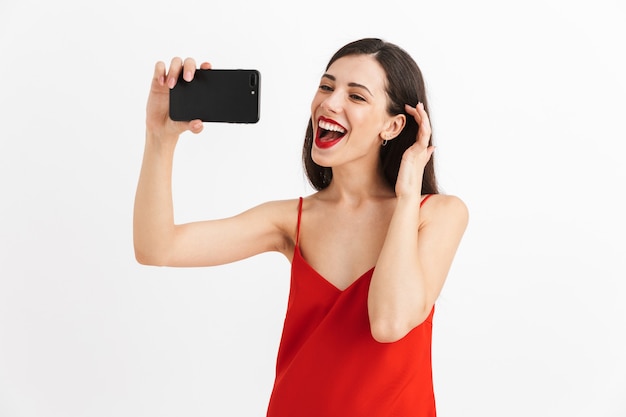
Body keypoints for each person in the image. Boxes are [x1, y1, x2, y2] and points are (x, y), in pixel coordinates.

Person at [134, 37, 468, 417]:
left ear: (392, 126)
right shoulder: (291, 220)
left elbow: (389, 322)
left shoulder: (437, 213)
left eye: (356, 96)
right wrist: (158, 138)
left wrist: (407, 195)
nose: (330, 101)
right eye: (327, 86)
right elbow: (156, 248)